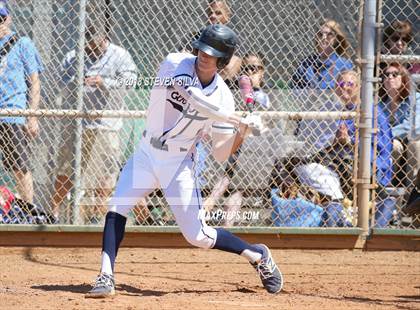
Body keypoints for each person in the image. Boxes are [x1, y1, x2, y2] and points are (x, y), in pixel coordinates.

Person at [85, 24, 283, 298]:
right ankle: (106, 275)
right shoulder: (174, 63)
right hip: (146, 153)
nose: (203, 55)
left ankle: (257, 254)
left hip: (177, 165)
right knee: (117, 205)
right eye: (202, 48)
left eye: (212, 53)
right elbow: (192, 96)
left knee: (197, 236)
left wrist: (243, 130)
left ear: (222, 60)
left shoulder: (224, 96)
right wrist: (235, 117)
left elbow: (221, 153)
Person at [51, 23, 137, 223]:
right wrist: (76, 81)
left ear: (104, 39)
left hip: (106, 125)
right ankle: (53, 213)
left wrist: (104, 82)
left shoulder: (119, 55)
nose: (91, 49)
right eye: (87, 45)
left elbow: (131, 82)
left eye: (95, 45)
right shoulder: (74, 55)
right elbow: (60, 81)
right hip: (77, 124)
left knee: (106, 174)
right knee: (66, 170)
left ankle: (98, 217)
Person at [203, 52, 270, 226]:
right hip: (236, 152)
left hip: (255, 153)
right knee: (236, 189)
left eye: (255, 69)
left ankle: (210, 202)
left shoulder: (263, 96)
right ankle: (227, 226)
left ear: (262, 72)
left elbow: (262, 127)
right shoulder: (232, 93)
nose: (249, 72)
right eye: (246, 68)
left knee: (234, 172)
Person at [0, 1, 43, 204]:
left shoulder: (21, 43)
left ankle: (28, 211)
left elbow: (35, 82)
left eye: (1, 18)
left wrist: (32, 116)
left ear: (8, 18)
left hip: (12, 113)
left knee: (20, 167)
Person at [180, 0, 242, 88]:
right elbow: (183, 56)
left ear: (227, 16)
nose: (212, 16)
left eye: (218, 13)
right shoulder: (195, 36)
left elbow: (233, 65)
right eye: (210, 12)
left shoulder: (231, 40)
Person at [379, 63, 420, 186]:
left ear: (404, 78)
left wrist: (387, 133)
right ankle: (385, 185)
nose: (389, 77)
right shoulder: (380, 103)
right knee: (393, 145)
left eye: (395, 74)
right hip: (393, 141)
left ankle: (412, 191)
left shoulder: (416, 98)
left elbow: (414, 126)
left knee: (416, 145)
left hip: (411, 140)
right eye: (386, 75)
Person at [290, 19, 353, 89]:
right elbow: (294, 88)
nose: (324, 37)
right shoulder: (306, 63)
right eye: (320, 34)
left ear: (336, 39)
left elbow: (347, 88)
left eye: (329, 34)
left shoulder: (343, 64)